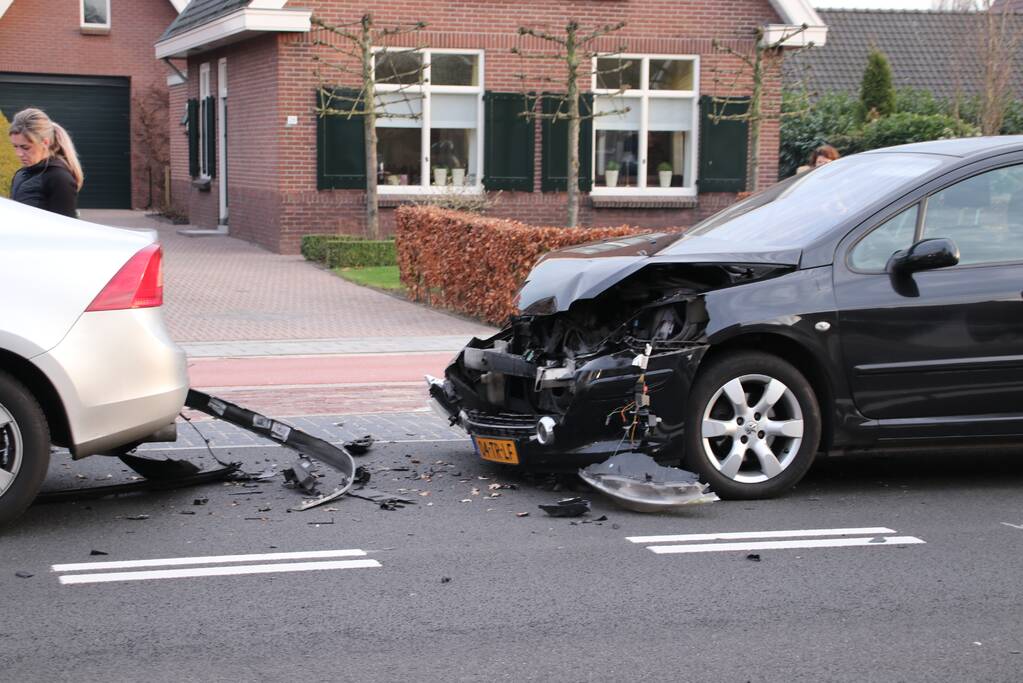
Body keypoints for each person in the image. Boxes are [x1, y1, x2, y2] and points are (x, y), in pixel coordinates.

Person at [8, 108, 83, 217]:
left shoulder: (59, 179)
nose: (18, 153)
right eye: (15, 146)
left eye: (25, 147)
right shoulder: (21, 174)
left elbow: (64, 230)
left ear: (45, 142)